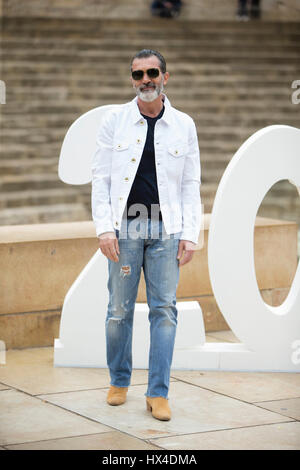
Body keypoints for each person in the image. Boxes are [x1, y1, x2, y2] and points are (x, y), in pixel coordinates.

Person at [91, 49, 201, 421]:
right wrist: (105, 228)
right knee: (118, 310)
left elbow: (190, 183)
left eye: (152, 72)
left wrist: (190, 234)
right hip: (125, 228)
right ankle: (119, 381)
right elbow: (101, 179)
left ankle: (158, 393)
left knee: (164, 311)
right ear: (133, 79)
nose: (145, 80)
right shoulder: (114, 121)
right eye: (138, 75)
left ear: (165, 77)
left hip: (166, 230)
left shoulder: (184, 124)